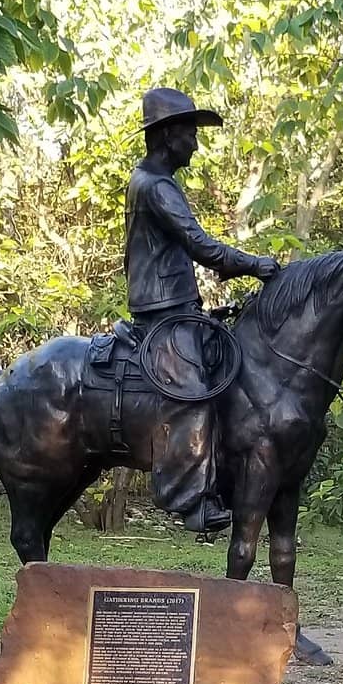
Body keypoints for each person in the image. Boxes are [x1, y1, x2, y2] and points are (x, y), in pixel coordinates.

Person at [124, 87, 279, 532]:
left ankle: (221, 478)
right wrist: (254, 265)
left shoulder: (154, 181)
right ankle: (190, 499)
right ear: (168, 134)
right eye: (190, 133)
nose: (195, 143)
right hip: (164, 307)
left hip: (174, 302)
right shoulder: (155, 187)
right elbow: (199, 243)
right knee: (190, 394)